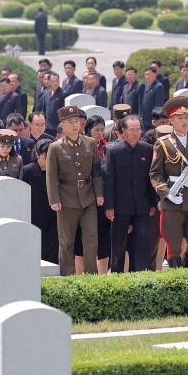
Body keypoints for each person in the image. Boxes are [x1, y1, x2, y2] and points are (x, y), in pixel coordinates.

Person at [149, 96, 188, 269]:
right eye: (179, 118)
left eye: (186, 117)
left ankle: (187, 269)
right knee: (173, 241)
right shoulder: (163, 143)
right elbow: (155, 174)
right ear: (171, 120)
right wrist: (166, 193)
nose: (184, 121)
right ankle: (177, 274)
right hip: (173, 198)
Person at [46, 105, 104, 276]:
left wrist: (99, 194)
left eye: (77, 121)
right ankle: (67, 276)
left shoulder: (90, 143)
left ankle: (91, 275)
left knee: (91, 238)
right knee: (66, 241)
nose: (74, 125)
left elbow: (96, 171)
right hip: (66, 200)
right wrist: (54, 199)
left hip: (88, 199)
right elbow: (51, 177)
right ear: (62, 126)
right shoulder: (55, 147)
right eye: (70, 122)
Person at [104, 115, 156, 273]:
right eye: (131, 130)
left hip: (142, 205)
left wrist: (153, 203)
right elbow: (109, 180)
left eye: (138, 129)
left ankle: (140, 275)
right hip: (120, 206)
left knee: (141, 242)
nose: (135, 133)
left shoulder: (147, 149)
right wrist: (109, 206)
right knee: (119, 243)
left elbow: (150, 178)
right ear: (123, 131)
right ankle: (117, 275)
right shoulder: (113, 150)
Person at [80, 115, 111, 274]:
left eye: (102, 130)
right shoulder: (82, 146)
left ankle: (102, 272)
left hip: (103, 197)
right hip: (85, 196)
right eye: (96, 130)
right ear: (88, 130)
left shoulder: (108, 147)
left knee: (104, 234)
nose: (99, 133)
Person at [21, 140, 59, 264]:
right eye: (45, 158)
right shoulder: (27, 171)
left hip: (53, 217)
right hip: (34, 216)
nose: (48, 162)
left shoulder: (57, 170)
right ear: (37, 155)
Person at [140, 67, 165, 131]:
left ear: (154, 74)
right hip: (145, 119)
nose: (147, 76)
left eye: (149, 74)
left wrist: (155, 118)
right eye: (146, 75)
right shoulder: (147, 85)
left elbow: (158, 105)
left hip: (152, 119)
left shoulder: (158, 86)